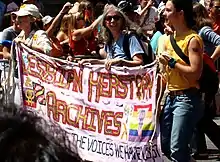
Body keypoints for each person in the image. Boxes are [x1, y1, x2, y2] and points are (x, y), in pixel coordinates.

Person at [158, 0, 204, 161]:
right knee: (164, 145)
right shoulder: (170, 38)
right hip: (170, 97)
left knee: (177, 149)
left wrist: (172, 63)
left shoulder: (192, 39)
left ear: (181, 13)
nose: (164, 13)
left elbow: (195, 73)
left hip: (186, 98)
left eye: (168, 10)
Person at [191, 2, 220, 158]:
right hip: (203, 78)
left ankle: (200, 149)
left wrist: (210, 59)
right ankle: (199, 149)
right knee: (200, 115)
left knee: (203, 117)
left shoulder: (204, 31)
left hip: (207, 78)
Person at [79, 4, 145, 70]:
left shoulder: (130, 37)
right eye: (109, 18)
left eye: (116, 18)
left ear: (122, 21)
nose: (112, 21)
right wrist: (90, 61)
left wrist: (121, 62)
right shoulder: (109, 40)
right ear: (105, 23)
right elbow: (108, 61)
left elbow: (139, 62)